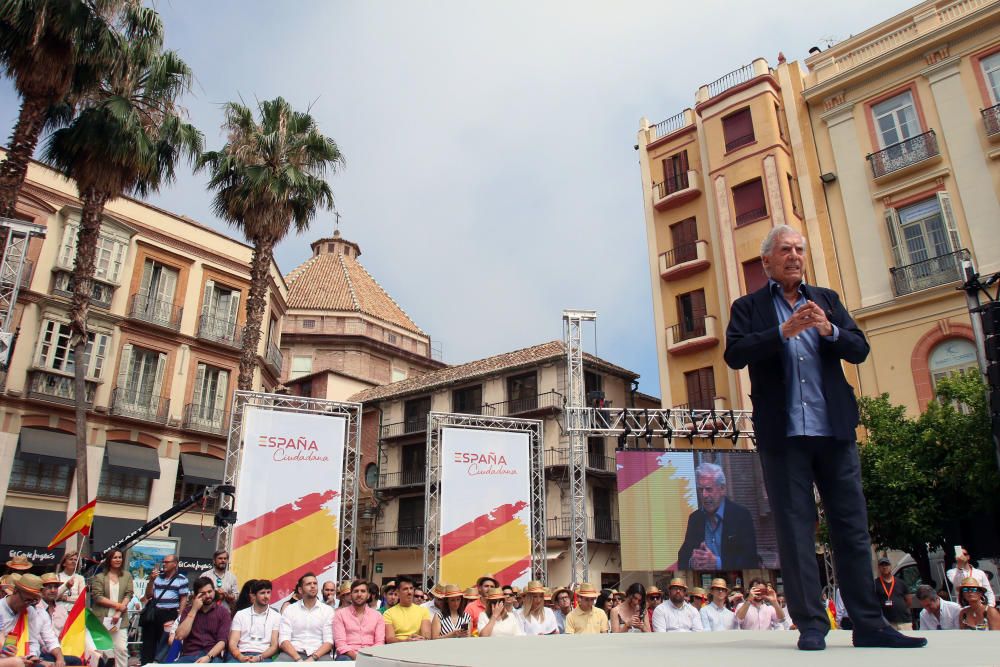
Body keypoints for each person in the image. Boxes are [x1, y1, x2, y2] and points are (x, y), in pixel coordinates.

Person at [724, 224, 927, 651]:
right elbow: (735, 353)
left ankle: (870, 624)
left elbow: (859, 348)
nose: (795, 255)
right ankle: (812, 625)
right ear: (767, 262)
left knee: (852, 527)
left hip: (834, 430)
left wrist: (828, 330)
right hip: (784, 436)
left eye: (799, 248)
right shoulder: (749, 306)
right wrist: (784, 331)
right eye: (785, 250)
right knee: (796, 531)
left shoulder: (827, 300)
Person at [677, 463, 759, 570]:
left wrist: (717, 563)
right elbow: (683, 556)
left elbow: (751, 560)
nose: (704, 495)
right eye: (700, 490)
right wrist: (692, 562)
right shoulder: (695, 518)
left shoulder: (741, 516)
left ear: (722, 489)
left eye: (709, 489)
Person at [0, 574, 77, 667]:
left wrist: (31, 657)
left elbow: (33, 641)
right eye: (27, 600)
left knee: (74, 661)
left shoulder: (30, 611)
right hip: (6, 660)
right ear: (15, 591)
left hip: (20, 656)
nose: (28, 605)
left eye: (33, 602)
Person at [141, 554, 190, 665]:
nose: (164, 564)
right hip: (154, 613)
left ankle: (159, 662)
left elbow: (183, 599)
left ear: (175, 564)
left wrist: (180, 617)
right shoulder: (158, 578)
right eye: (163, 562)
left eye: (167, 562)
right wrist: (151, 580)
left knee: (165, 643)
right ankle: (146, 662)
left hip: (169, 613)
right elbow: (148, 595)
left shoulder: (182, 579)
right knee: (149, 642)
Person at [90, 549, 133, 667]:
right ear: (109, 560)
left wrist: (119, 612)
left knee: (122, 649)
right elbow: (97, 597)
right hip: (102, 619)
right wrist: (118, 605)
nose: (118, 560)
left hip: (120, 619)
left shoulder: (127, 575)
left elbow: (129, 594)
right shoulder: (99, 577)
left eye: (120, 557)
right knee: (100, 651)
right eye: (115, 557)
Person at [277, 573, 334, 661]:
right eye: (308, 584)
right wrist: (298, 659)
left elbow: (329, 641)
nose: (312, 586)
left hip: (319, 654)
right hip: (292, 653)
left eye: (315, 583)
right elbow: (284, 640)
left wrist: (312, 658)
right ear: (300, 590)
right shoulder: (290, 609)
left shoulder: (328, 611)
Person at [175, 577, 232, 663]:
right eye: (203, 593)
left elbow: (222, 642)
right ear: (196, 595)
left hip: (212, 655)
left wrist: (208, 657)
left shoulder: (223, 612)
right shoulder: (188, 610)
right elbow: (180, 636)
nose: (208, 596)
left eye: (210, 592)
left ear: (214, 591)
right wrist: (194, 610)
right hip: (189, 655)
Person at [228, 579, 280, 663]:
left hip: (263, 656)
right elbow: (233, 642)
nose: (266, 596)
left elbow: (274, 646)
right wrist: (240, 656)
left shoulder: (276, 616)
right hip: (240, 654)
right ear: (253, 596)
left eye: (268, 592)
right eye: (262, 593)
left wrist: (259, 658)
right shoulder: (241, 614)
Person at [332, 580, 385, 661]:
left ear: (368, 595)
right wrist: (356, 657)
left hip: (372, 655)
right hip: (347, 655)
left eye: (363, 591)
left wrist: (369, 657)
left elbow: (379, 642)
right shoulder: (340, 614)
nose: (359, 594)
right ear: (351, 595)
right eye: (356, 591)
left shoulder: (377, 616)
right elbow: (340, 643)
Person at [383, 577, 430, 643]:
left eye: (411, 588)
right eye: (405, 589)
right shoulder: (388, 613)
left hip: (418, 646)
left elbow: (426, 635)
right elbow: (390, 639)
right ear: (398, 592)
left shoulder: (423, 611)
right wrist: (405, 641)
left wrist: (420, 639)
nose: (409, 592)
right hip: (397, 649)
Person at [873, 558, 912, 630]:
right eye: (882, 565)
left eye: (886, 565)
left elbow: (909, 601)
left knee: (907, 640)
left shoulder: (901, 582)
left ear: (890, 566)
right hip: (887, 622)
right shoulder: (875, 584)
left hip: (904, 621)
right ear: (879, 568)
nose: (884, 567)